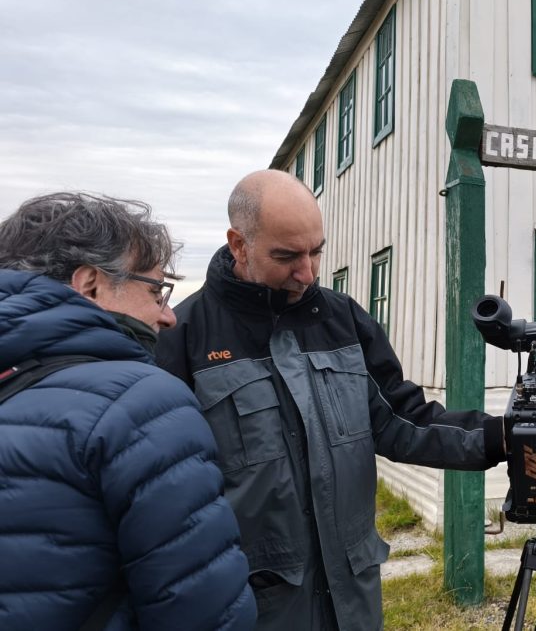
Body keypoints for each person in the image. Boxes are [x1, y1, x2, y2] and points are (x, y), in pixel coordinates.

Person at [155, 170, 505, 631]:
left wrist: (500, 437)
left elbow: (401, 420)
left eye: (316, 251)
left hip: (353, 604)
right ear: (239, 245)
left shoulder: (343, 320)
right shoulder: (181, 339)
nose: (308, 273)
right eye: (286, 256)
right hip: (257, 610)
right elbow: (167, 500)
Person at [0, 192, 257, 630]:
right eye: (156, 291)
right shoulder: (143, 404)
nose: (168, 316)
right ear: (91, 285)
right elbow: (204, 614)